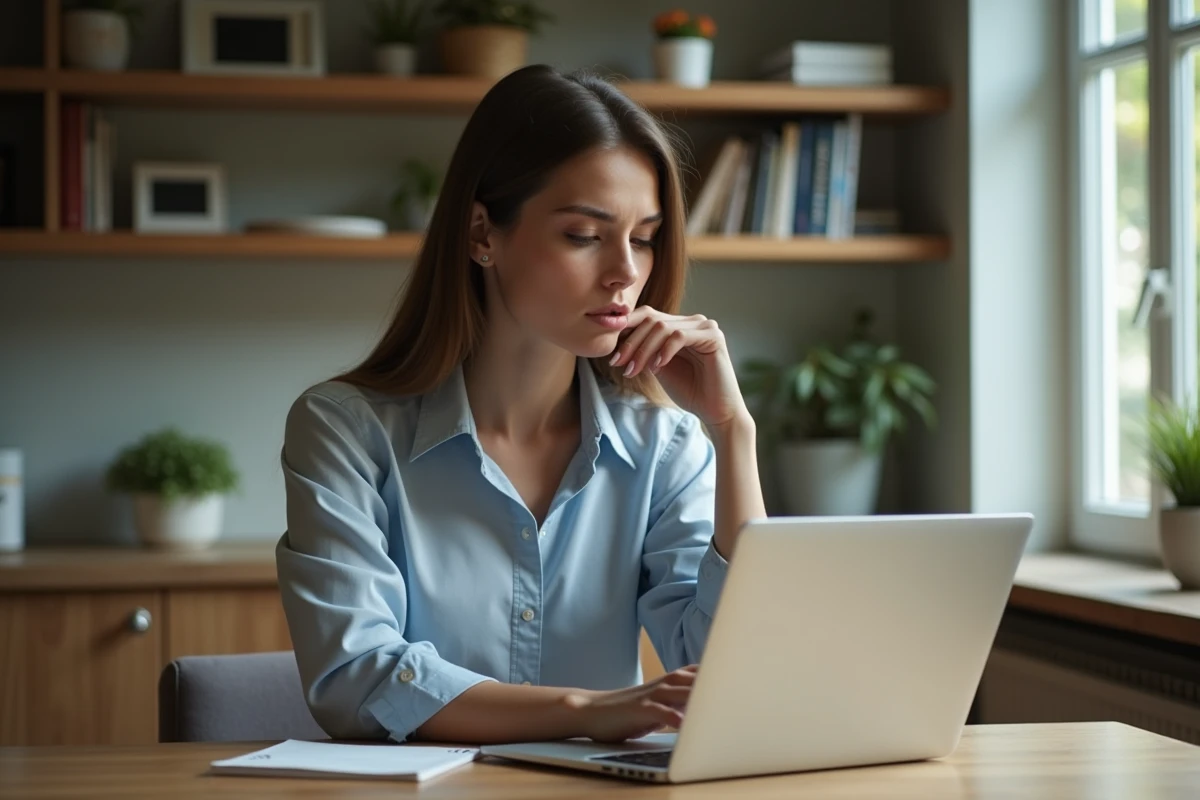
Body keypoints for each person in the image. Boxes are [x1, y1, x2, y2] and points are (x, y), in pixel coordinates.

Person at [276, 64, 766, 746]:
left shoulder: (667, 446)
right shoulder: (345, 432)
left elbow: (728, 673)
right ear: (482, 234)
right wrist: (586, 712)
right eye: (584, 235)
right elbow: (355, 678)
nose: (626, 270)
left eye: (644, 236)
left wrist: (731, 431)